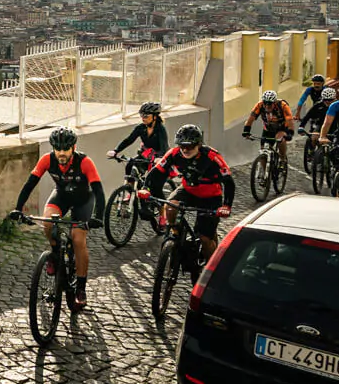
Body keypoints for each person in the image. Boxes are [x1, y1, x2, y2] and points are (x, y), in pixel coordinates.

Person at [9, 126, 103, 308]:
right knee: (48, 222)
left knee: (78, 239)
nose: (61, 152)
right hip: (61, 195)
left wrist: (98, 216)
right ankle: (54, 254)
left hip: (83, 200)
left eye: (65, 149)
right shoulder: (47, 160)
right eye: (58, 149)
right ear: (53, 148)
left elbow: (98, 191)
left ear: (73, 148)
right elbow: (30, 184)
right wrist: (18, 209)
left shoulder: (84, 162)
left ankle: (81, 288)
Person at [139, 124, 234, 264]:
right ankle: (176, 235)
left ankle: (211, 269)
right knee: (170, 207)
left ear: (199, 144)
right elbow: (155, 171)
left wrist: (226, 205)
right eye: (182, 146)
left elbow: (229, 182)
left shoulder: (212, 157)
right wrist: (145, 187)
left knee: (205, 238)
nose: (185, 150)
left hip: (211, 197)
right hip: (188, 190)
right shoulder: (174, 153)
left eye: (190, 146)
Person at [108, 102, 168, 191]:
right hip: (146, 154)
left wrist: (159, 157)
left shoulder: (160, 129)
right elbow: (129, 140)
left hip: (158, 157)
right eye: (142, 116)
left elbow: (164, 146)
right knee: (130, 165)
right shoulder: (140, 128)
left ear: (155, 117)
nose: (143, 118)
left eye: (146, 116)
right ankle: (131, 190)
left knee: (154, 186)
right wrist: (116, 151)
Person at [241, 90, 294, 166]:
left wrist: (290, 133)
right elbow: (251, 118)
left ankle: (282, 159)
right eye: (265, 103)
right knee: (263, 151)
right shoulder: (259, 105)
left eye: (269, 104)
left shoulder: (283, 105)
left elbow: (289, 119)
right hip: (268, 129)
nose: (267, 106)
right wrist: (246, 131)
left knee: (280, 138)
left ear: (274, 102)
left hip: (281, 128)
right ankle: (265, 175)